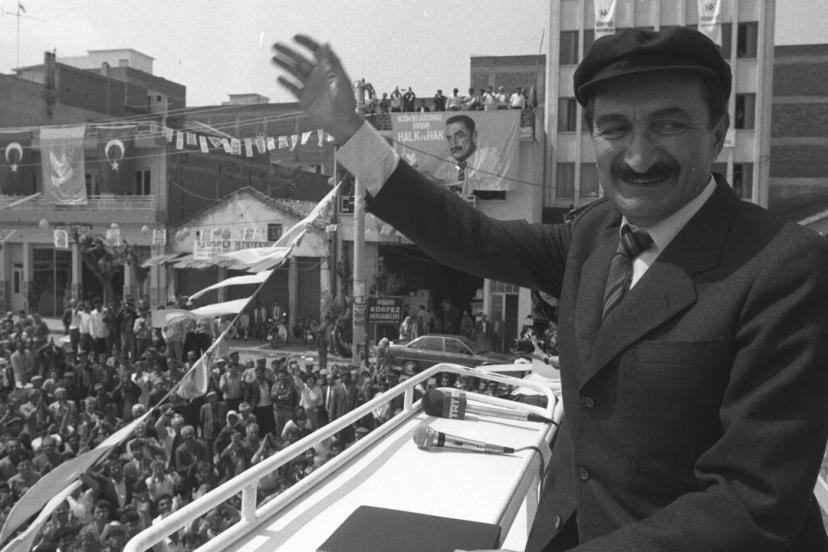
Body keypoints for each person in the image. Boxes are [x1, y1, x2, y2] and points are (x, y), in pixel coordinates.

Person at [272, 28, 828, 551]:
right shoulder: (596, 233)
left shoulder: (782, 266)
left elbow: (752, 503)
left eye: (668, 125)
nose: (638, 156)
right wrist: (352, 133)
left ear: (719, 132)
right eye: (614, 129)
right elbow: (474, 238)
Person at [427, 114, 504, 197]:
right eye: (449, 138)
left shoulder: (489, 156)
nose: (453, 143)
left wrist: (451, 183)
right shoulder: (447, 164)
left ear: (474, 136)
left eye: (460, 136)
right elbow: (435, 190)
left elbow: (493, 185)